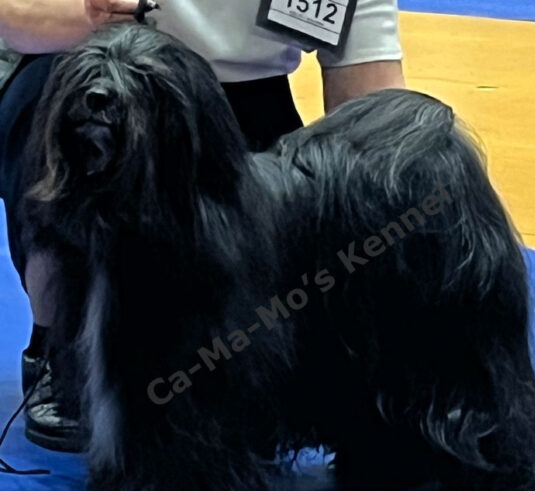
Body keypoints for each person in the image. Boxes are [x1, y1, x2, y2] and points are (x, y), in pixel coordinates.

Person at [0, 0, 405, 452]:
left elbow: (369, 99)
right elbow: (14, 14)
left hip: (238, 101)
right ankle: (60, 347)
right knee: (56, 142)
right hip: (81, 63)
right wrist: (89, 16)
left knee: (279, 213)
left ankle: (236, 358)